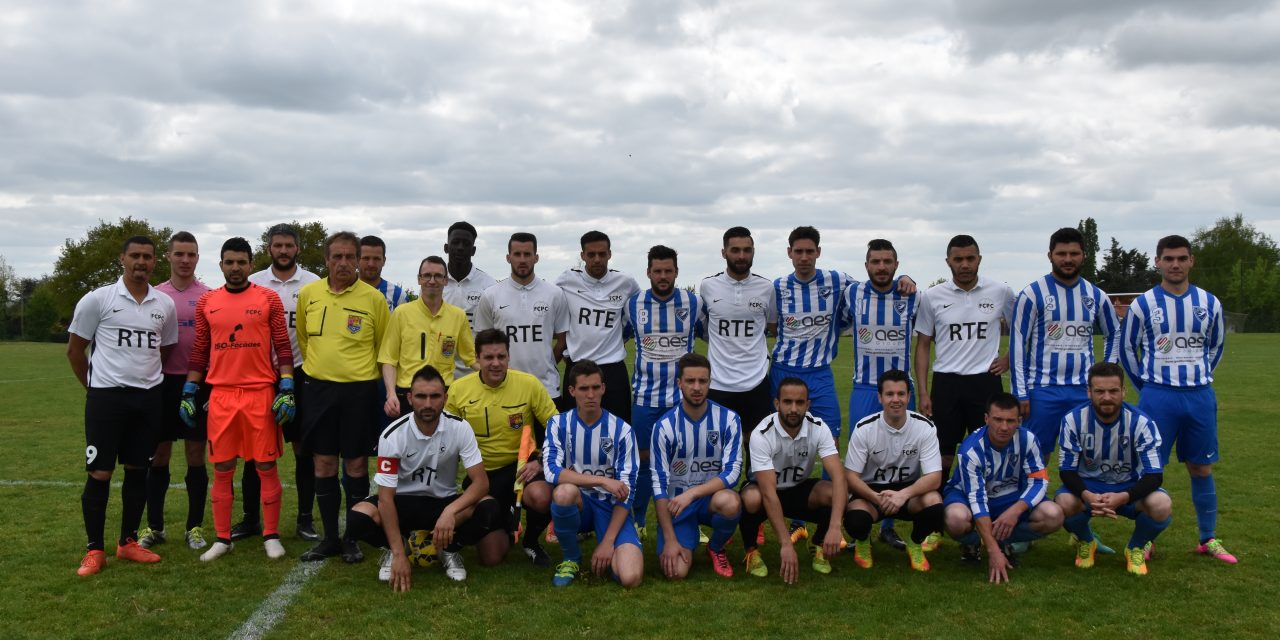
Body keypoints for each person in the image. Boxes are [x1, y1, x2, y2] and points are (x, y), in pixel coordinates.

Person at [67, 235, 178, 575]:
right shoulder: (98, 299)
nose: (141, 262)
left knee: (138, 470)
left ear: (154, 261)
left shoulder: (164, 304)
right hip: (107, 399)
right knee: (100, 472)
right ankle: (94, 550)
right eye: (135, 256)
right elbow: (75, 350)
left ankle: (127, 543)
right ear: (122, 259)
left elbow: (164, 349)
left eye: (147, 256)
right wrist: (94, 388)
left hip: (147, 399)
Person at [1121, 234, 1233, 564]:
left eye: (1182, 258)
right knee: (1149, 468)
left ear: (1191, 261)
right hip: (1158, 397)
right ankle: (1145, 538)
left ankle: (1208, 538)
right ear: (1157, 262)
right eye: (1168, 259)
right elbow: (1128, 349)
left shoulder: (1209, 303)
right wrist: (1148, 386)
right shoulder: (1143, 304)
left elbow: (1216, 346)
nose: (1175, 264)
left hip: (1199, 396)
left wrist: (1199, 375)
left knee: (1201, 466)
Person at [184, 237, 296, 561]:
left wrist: (287, 386)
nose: (235, 268)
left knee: (266, 465)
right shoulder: (207, 301)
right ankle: (222, 539)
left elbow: (282, 346)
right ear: (221, 265)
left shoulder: (268, 298)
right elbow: (200, 350)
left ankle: (271, 536)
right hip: (221, 395)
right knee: (222, 467)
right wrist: (189, 391)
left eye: (241, 262)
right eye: (229, 262)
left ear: (251, 264)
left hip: (260, 393)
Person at [344, 366, 505, 588]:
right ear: (410, 398)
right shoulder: (392, 435)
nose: (428, 404)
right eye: (421, 396)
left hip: (442, 502)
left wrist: (449, 511)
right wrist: (399, 554)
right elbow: (385, 499)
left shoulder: (460, 428)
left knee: (489, 508)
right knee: (357, 518)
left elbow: (481, 483)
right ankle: (398, 548)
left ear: (445, 398)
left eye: (435, 396)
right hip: (402, 503)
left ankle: (448, 550)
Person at [295, 231, 390, 563]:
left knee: (355, 463)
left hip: (358, 392)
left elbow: (383, 347)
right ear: (326, 260)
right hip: (318, 390)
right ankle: (330, 538)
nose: (344, 263)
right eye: (337, 256)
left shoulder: (373, 299)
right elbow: (305, 340)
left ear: (359, 260)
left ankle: (352, 537)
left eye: (350, 257)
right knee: (322, 462)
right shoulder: (309, 294)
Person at [445, 329, 558, 567]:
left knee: (541, 496)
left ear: (508, 356)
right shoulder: (459, 389)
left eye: (501, 356)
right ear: (478, 358)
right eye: (488, 357)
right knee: (491, 557)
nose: (495, 363)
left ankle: (531, 542)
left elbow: (558, 427)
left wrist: (540, 461)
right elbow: (445, 437)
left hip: (521, 468)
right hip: (482, 476)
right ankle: (505, 520)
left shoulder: (528, 384)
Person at [242, 223, 322, 542]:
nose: (284, 251)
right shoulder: (254, 282)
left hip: (301, 373)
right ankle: (250, 518)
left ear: (298, 248)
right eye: (278, 245)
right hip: (261, 374)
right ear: (269, 249)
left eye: (289, 245)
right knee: (254, 450)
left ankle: (305, 519)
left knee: (304, 448)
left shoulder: (314, 283)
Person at [914, 234, 1015, 486]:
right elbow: (923, 345)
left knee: (989, 448)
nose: (965, 264)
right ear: (948, 262)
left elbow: (1023, 330)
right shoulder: (932, 296)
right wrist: (924, 392)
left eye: (970, 258)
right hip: (946, 382)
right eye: (958, 259)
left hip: (986, 381)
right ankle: (938, 501)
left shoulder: (1001, 291)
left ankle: (989, 499)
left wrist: (1008, 359)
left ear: (979, 259)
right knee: (943, 453)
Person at [1011, 227, 1122, 453]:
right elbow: (1018, 343)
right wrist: (1020, 392)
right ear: (1050, 255)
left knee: (1089, 454)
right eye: (1061, 254)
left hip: (1084, 389)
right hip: (1042, 389)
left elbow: (1114, 333)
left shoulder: (1096, 295)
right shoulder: (1032, 293)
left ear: (1084, 255)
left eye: (1074, 254)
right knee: (1035, 455)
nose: (1068, 259)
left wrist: (1106, 374)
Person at [1055, 363, 1171, 575]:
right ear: (1089, 392)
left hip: (1128, 486)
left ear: (1123, 391)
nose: (1107, 397)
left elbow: (1154, 475)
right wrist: (1087, 495)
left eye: (1113, 391)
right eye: (1099, 391)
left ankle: (1135, 547)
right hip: (1089, 486)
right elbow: (1066, 471)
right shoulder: (1073, 420)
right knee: (1063, 502)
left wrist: (1124, 497)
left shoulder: (1141, 423)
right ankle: (1086, 541)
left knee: (1161, 504)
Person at [840, 239, 918, 550]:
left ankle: (888, 525)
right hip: (865, 387)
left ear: (896, 265)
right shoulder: (853, 293)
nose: (882, 267)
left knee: (900, 457)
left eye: (888, 261)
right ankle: (860, 526)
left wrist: (909, 279)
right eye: (876, 261)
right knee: (861, 458)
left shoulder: (912, 296)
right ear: (866, 266)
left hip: (900, 390)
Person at [140, 231, 212, 551]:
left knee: (196, 455)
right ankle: (154, 527)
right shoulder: (155, 296)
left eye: (191, 254)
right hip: (162, 384)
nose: (185, 260)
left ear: (197, 258)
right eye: (179, 254)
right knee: (159, 455)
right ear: (168, 256)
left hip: (197, 384)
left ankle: (194, 527)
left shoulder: (209, 297)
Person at [943, 393, 1063, 583]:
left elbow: (1040, 481)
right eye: (998, 420)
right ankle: (976, 543)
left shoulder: (1028, 439)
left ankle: (1004, 540)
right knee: (955, 519)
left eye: (1010, 421)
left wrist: (1015, 511)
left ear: (1019, 421)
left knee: (1053, 515)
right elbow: (977, 499)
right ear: (986, 419)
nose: (1004, 427)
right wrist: (993, 551)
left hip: (1010, 497)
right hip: (966, 496)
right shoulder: (971, 450)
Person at [544, 360, 644, 588]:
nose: (590, 395)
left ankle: (612, 545)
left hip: (611, 507)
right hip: (580, 505)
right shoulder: (558, 424)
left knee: (631, 578)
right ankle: (571, 558)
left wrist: (608, 543)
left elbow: (627, 493)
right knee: (563, 492)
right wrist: (602, 480)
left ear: (603, 389)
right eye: (583, 388)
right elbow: (551, 471)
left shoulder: (622, 430)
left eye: (595, 387)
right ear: (572, 391)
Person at [623, 245, 701, 536]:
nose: (663, 276)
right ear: (648, 273)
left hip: (682, 398)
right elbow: (621, 336)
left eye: (669, 270)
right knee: (644, 459)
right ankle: (639, 521)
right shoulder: (634, 304)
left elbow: (708, 333)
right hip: (645, 397)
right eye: (658, 271)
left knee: (685, 460)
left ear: (677, 272)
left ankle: (688, 518)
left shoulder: (693, 303)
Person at [738, 378, 846, 583]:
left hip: (798, 489)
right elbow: (768, 493)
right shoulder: (762, 433)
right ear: (777, 403)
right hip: (767, 492)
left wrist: (835, 526)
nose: (794, 409)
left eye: (799, 402)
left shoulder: (819, 427)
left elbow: (839, 477)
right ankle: (751, 550)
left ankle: (818, 543)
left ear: (808, 405)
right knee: (751, 498)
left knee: (834, 492)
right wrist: (786, 544)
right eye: (787, 402)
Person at [650, 353, 743, 579]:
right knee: (675, 573)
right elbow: (658, 485)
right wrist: (670, 540)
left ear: (710, 382)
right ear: (679, 383)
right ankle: (682, 533)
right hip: (677, 506)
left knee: (731, 502)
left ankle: (716, 547)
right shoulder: (664, 426)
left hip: (708, 500)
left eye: (702, 381)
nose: (697, 387)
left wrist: (692, 494)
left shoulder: (729, 419)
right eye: (690, 381)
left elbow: (733, 473)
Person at [841, 370, 944, 572]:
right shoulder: (864, 428)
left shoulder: (925, 427)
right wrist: (877, 498)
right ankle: (863, 541)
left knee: (935, 504)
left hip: (908, 492)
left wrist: (902, 495)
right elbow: (850, 477)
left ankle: (915, 543)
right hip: (872, 492)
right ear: (880, 397)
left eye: (901, 394)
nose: (896, 400)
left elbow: (934, 477)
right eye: (889, 394)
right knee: (855, 520)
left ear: (909, 396)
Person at [700, 227, 776, 463]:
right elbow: (704, 327)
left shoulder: (767, 288)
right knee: (717, 448)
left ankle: (755, 487)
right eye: (735, 250)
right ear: (724, 252)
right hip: (719, 382)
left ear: (753, 251)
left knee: (757, 449)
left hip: (756, 381)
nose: (741, 256)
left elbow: (772, 327)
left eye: (747, 250)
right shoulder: (707, 286)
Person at [474, 232, 569, 402]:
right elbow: (482, 342)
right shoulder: (491, 295)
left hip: (546, 388)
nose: (522, 259)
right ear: (508, 258)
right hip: (505, 388)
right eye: (517, 254)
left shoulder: (554, 294)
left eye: (527, 254)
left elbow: (562, 340)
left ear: (536, 258)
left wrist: (547, 365)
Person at [379, 256, 476, 418]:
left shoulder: (458, 316)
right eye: (427, 275)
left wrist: (502, 372)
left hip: (443, 396)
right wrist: (391, 394)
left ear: (445, 280)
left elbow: (471, 358)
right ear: (419, 279)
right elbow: (388, 359)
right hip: (408, 395)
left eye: (438, 276)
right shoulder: (402, 313)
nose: (432, 281)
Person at [555, 230, 639, 419]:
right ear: (582, 255)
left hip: (613, 368)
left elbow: (638, 310)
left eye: (602, 254)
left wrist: (623, 337)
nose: (597, 259)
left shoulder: (625, 282)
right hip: (577, 367)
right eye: (591, 254)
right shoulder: (567, 279)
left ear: (610, 254)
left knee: (619, 426)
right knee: (573, 426)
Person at [441, 221, 496, 381]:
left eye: (466, 244)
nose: (460, 248)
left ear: (473, 250)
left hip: (477, 371)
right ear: (446, 247)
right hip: (441, 371)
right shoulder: (434, 283)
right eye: (455, 242)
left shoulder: (489, 285)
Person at [358, 235, 411, 311]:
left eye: (376, 259)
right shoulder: (345, 291)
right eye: (366, 258)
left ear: (384, 261)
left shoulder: (398, 295)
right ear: (357, 259)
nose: (371, 264)